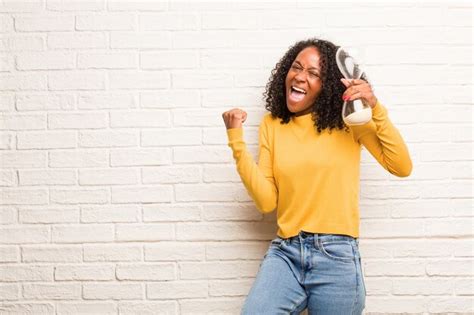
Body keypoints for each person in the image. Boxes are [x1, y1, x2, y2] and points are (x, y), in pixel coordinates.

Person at [221, 38, 412, 315]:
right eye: (296, 67)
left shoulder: (349, 121)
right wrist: (236, 140)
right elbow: (266, 202)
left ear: (328, 86)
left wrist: (375, 107)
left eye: (314, 73)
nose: (300, 77)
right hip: (285, 252)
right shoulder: (272, 125)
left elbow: (401, 166)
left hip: (336, 254)